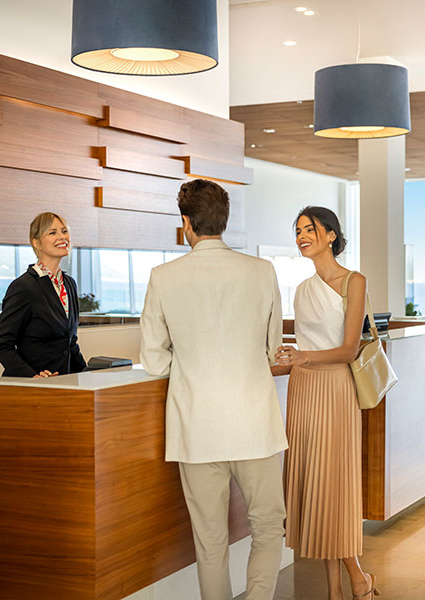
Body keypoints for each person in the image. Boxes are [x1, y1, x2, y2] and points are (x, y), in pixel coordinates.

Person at [140, 179, 287, 600]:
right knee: (266, 526)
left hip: (196, 426)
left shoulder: (164, 276)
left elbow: (153, 359)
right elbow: (272, 347)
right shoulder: (262, 271)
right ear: (224, 221)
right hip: (255, 423)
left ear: (186, 222)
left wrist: (189, 367)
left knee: (209, 542)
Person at [274, 206, 379, 600]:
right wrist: (286, 359)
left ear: (331, 234)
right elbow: (301, 348)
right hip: (303, 391)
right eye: (297, 229)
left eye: (309, 229)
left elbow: (349, 349)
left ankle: (355, 577)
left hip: (335, 390)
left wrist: (304, 357)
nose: (302, 235)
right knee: (314, 487)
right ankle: (339, 587)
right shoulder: (301, 290)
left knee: (333, 486)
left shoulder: (354, 281)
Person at [0, 212, 86, 377]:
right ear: (36, 242)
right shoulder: (23, 287)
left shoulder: (69, 284)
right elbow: (3, 346)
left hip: (64, 384)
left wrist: (88, 375)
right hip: (33, 388)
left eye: (64, 231)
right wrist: (33, 376)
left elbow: (70, 343)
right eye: (52, 232)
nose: (62, 237)